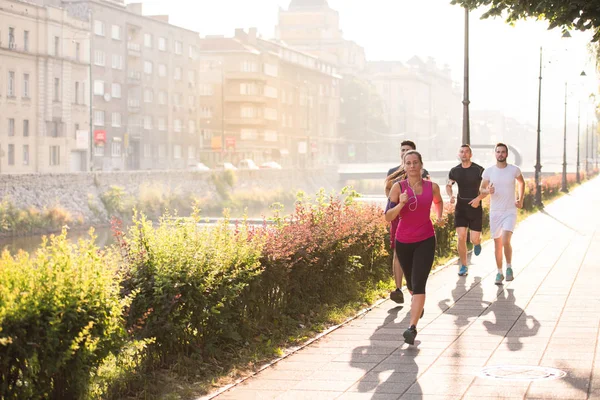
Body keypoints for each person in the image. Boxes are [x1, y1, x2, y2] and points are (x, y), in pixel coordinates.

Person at [385, 150, 444, 345]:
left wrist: (439, 216)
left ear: (421, 164)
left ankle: (412, 328)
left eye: (415, 162)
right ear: (404, 166)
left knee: (419, 283)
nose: (412, 166)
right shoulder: (397, 188)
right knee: (410, 284)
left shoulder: (432, 187)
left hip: (426, 239)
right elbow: (388, 217)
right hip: (404, 242)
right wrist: (401, 204)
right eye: (408, 163)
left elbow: (438, 201)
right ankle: (417, 305)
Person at [384, 141, 430, 304]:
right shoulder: (392, 173)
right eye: (403, 151)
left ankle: (414, 292)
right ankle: (398, 288)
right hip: (398, 217)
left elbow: (428, 194)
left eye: (409, 151)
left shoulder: (422, 174)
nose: (405, 153)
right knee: (398, 252)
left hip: (417, 221)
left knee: (414, 257)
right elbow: (388, 197)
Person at [479, 143, 525, 285]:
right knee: (497, 244)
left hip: (510, 211)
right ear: (495, 154)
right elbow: (481, 189)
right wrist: (488, 191)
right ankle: (499, 272)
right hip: (495, 212)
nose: (500, 154)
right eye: (498, 152)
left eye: (503, 152)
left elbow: (522, 183)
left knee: (505, 240)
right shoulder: (489, 171)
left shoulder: (514, 170)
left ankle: (509, 267)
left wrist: (520, 199)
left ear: (507, 154)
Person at [446, 144, 485, 276]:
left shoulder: (479, 170)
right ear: (459, 154)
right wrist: (451, 196)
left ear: (471, 154)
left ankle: (477, 243)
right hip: (461, 208)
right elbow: (449, 185)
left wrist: (478, 199)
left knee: (474, 239)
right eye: (461, 152)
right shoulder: (454, 171)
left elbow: (486, 188)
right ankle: (463, 265)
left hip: (475, 207)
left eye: (466, 152)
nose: (464, 154)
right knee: (461, 236)